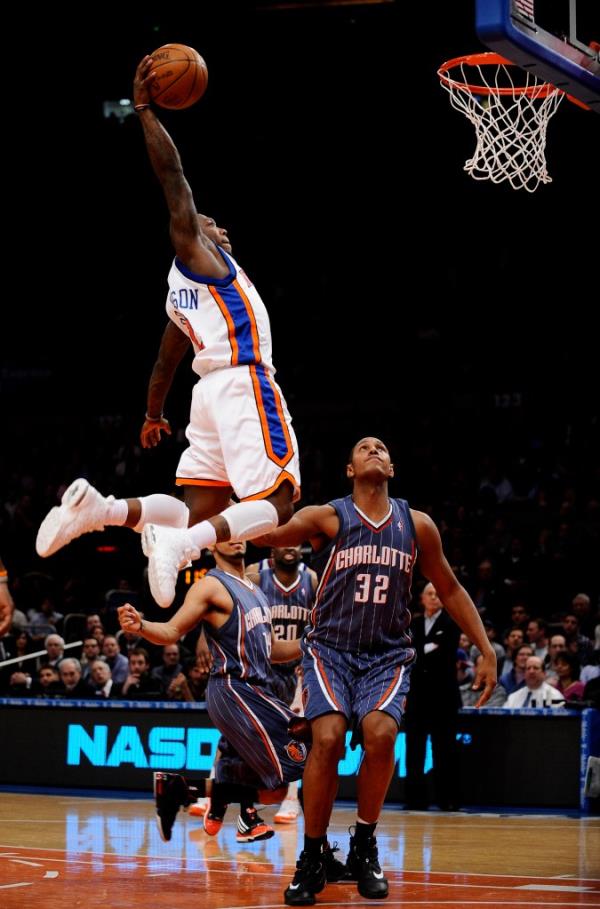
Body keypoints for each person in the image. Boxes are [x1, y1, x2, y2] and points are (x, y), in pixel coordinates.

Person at [35, 53, 301, 610]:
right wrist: (145, 109)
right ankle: (178, 544)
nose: (217, 225)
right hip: (241, 382)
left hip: (205, 396)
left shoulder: (181, 294)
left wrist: (155, 415)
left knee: (200, 513)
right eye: (207, 221)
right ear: (193, 231)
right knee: (278, 504)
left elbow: (163, 364)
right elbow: (173, 179)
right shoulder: (198, 254)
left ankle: (99, 510)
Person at [255, 436, 497, 905]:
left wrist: (486, 648)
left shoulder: (417, 525)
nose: (373, 450)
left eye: (381, 448)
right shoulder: (331, 515)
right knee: (326, 738)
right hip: (330, 649)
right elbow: (270, 534)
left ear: (391, 467)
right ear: (349, 469)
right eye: (363, 447)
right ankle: (312, 856)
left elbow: (448, 587)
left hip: (386, 654)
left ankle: (364, 845)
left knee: (381, 733)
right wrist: (231, 509)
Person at [117, 540, 343, 872]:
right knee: (310, 755)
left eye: (239, 528)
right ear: (213, 542)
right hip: (233, 688)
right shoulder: (211, 584)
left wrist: (312, 640)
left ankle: (180, 790)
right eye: (226, 531)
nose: (235, 536)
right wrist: (142, 627)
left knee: (279, 779)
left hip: (257, 689)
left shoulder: (255, 589)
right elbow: (172, 630)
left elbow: (272, 649)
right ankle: (317, 855)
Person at [246, 545, 316, 824]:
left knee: (298, 733)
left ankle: (291, 799)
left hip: (295, 669)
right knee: (239, 729)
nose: (290, 546)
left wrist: (309, 655)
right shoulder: (256, 576)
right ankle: (213, 794)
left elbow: (323, 619)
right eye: (285, 540)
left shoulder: (311, 579)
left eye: (296, 541)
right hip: (262, 665)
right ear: (272, 547)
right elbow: (230, 608)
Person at [403, 582, 462, 811]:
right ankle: (415, 799)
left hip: (443, 697)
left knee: (444, 749)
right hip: (417, 697)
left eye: (438, 593)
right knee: (414, 749)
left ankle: (447, 799)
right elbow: (408, 652)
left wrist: (419, 649)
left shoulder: (452, 621)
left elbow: (444, 652)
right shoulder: (413, 624)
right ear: (422, 597)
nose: (434, 597)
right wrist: (425, 648)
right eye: (429, 593)